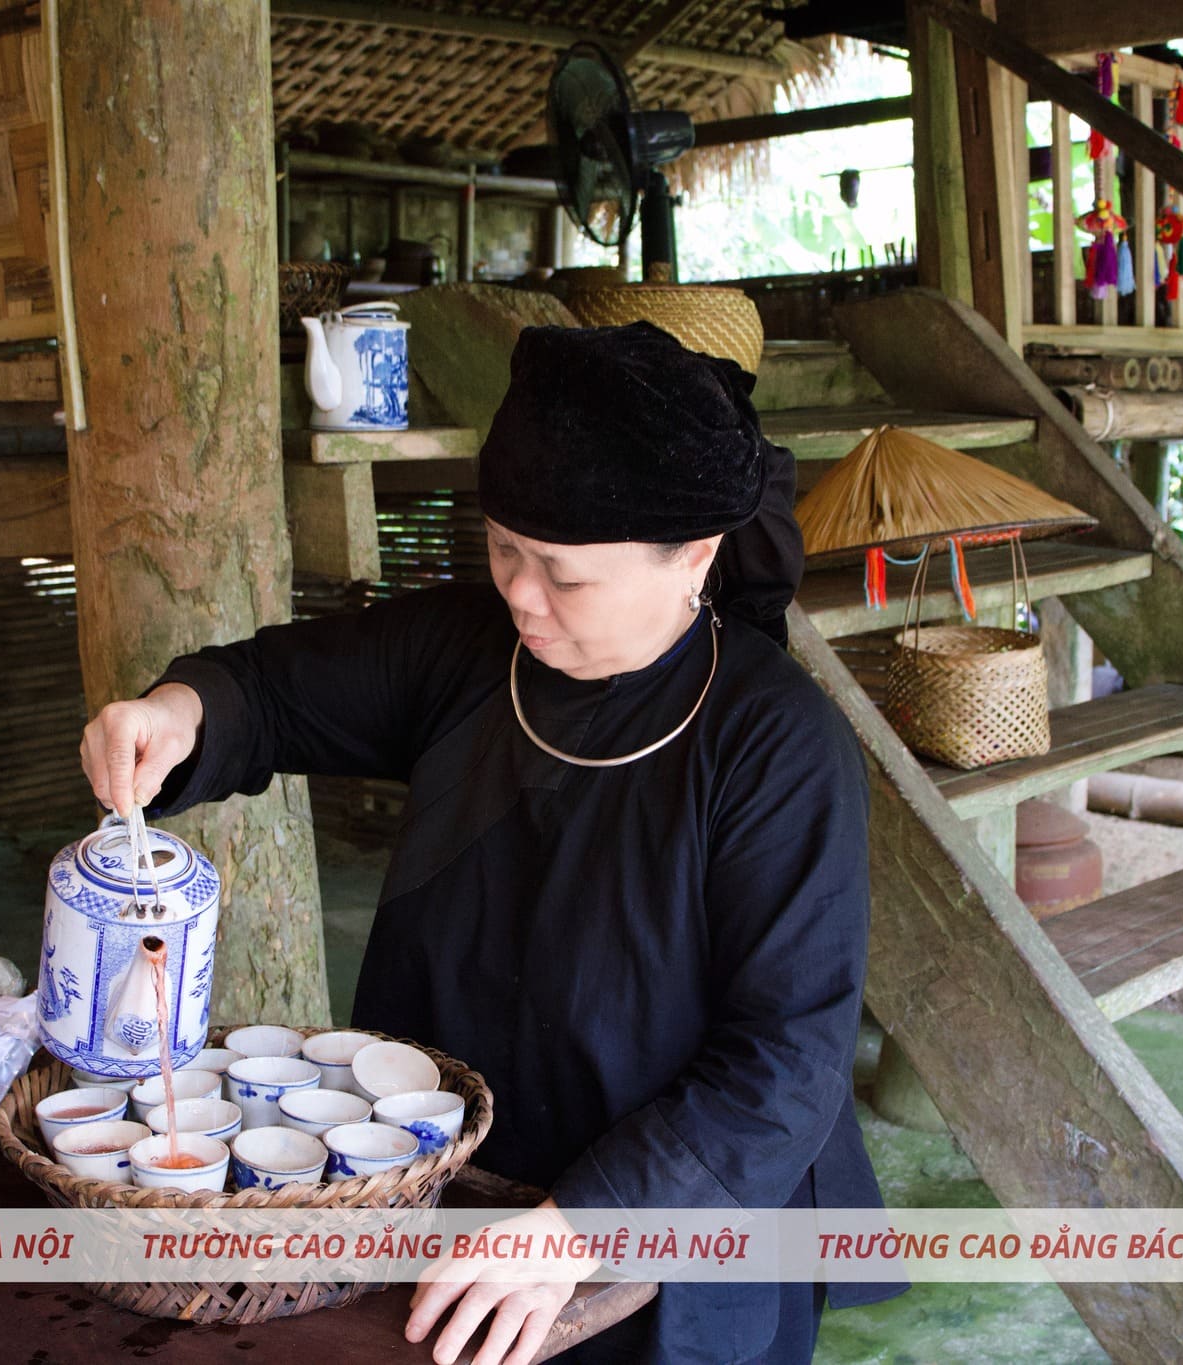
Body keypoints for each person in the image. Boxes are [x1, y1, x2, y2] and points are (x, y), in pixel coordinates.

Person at [81, 322, 902, 1363]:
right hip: (447, 1172)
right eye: (504, 548)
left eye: (562, 574)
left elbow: (783, 1065)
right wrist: (176, 713)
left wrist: (575, 1227)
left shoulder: (776, 744)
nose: (519, 592)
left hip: (661, 1212)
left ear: (692, 557)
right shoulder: (471, 650)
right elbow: (269, 690)